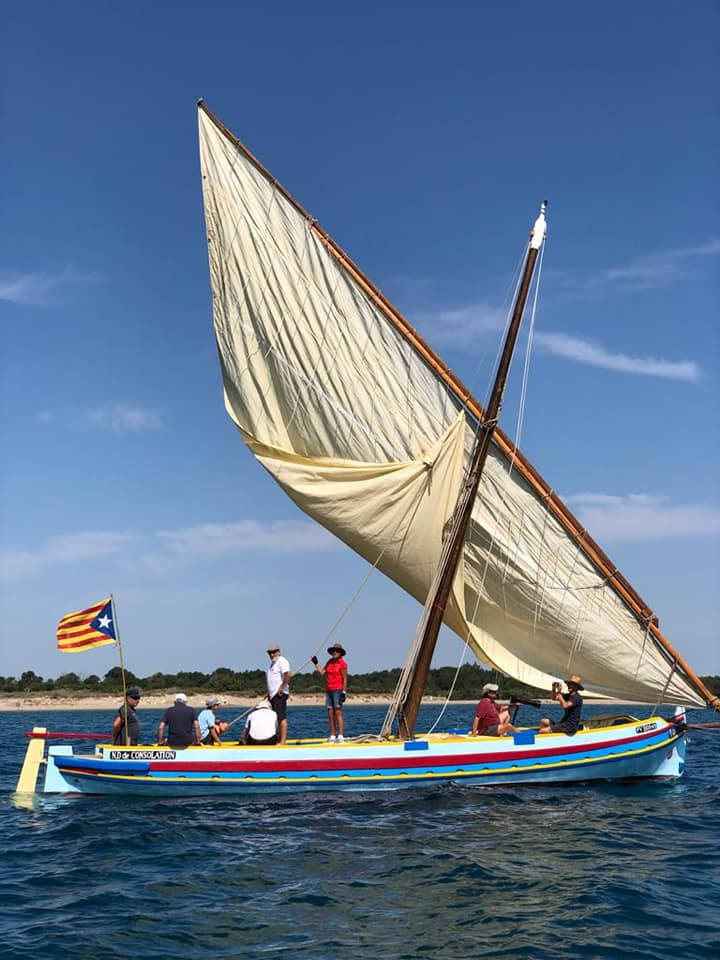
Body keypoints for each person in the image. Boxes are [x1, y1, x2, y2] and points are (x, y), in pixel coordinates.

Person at [311, 644, 348, 742]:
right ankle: (332, 735)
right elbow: (322, 672)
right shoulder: (329, 662)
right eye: (333, 651)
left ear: (340, 653)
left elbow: (344, 678)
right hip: (329, 690)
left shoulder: (342, 663)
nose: (334, 652)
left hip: (338, 689)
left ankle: (340, 735)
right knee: (330, 713)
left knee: (338, 712)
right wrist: (316, 663)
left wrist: (344, 692)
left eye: (337, 651)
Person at [266, 645, 292, 744]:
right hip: (273, 695)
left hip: (280, 694)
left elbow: (287, 674)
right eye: (270, 653)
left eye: (274, 652)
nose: (272, 654)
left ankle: (283, 741)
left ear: (279, 652)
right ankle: (279, 738)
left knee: (281, 717)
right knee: (277, 718)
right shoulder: (273, 663)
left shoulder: (282, 661)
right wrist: (269, 693)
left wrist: (282, 686)